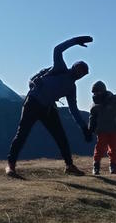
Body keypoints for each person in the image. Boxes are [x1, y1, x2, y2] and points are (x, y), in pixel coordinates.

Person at [6, 36, 93, 177]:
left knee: (60, 137)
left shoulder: (72, 88)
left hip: (47, 108)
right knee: (22, 134)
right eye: (80, 70)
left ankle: (69, 166)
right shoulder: (60, 68)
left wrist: (84, 128)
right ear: (74, 67)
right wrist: (76, 41)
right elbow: (57, 49)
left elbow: (74, 110)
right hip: (32, 103)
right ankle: (10, 166)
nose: (80, 74)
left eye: (83, 73)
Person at [87, 81, 116, 175]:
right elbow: (92, 119)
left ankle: (113, 167)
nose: (96, 94)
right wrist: (90, 130)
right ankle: (96, 167)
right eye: (94, 93)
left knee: (114, 149)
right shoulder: (94, 106)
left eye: (98, 92)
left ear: (103, 91)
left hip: (115, 129)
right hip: (102, 130)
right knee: (99, 149)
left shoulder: (114, 99)